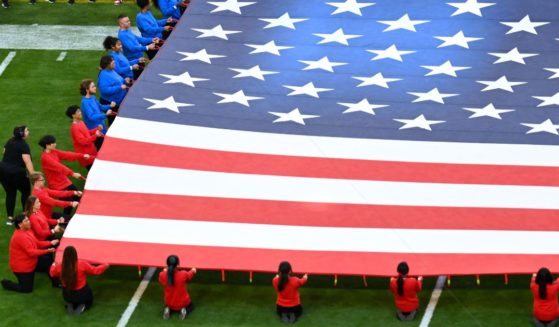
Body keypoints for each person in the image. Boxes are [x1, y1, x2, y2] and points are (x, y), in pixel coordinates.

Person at [1, 214, 59, 293]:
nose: (29, 222)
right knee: (27, 289)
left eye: (28, 220)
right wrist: (47, 250)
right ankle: (6, 283)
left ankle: (56, 282)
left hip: (31, 261)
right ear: (20, 224)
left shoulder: (28, 230)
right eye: (26, 221)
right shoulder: (20, 237)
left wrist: (50, 243)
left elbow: (37, 243)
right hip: (22, 267)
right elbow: (31, 252)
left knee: (48, 261)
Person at [50, 246, 109, 315]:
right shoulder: (81, 264)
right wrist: (105, 266)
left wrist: (53, 265)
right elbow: (95, 271)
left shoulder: (60, 266)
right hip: (82, 294)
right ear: (75, 254)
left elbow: (52, 273)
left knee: (72, 298)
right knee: (89, 301)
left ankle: (72, 304)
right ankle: (83, 306)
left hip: (67, 295)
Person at [38, 135, 88, 216]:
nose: (55, 144)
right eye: (53, 143)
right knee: (68, 203)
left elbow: (67, 154)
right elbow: (59, 167)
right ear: (47, 145)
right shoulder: (45, 158)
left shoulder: (54, 151)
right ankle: (65, 220)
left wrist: (81, 155)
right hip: (57, 186)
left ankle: (81, 214)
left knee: (78, 197)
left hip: (65, 181)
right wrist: (72, 173)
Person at [0, 126, 35, 225]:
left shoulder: (10, 141)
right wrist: (33, 175)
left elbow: (4, 152)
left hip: (2, 170)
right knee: (25, 192)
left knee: (10, 193)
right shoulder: (23, 145)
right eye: (27, 130)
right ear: (21, 134)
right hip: (16, 172)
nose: (28, 132)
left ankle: (10, 218)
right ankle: (25, 214)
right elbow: (27, 161)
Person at [158, 255, 196, 320]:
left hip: (169, 302)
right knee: (191, 306)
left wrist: (164, 271)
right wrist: (193, 270)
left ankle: (168, 309)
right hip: (183, 303)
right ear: (178, 265)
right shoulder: (183, 274)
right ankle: (183, 310)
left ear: (167, 264)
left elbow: (161, 279)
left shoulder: (162, 275)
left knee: (169, 304)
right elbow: (191, 274)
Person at [80, 80, 115, 150]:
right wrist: (105, 115)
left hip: (102, 127)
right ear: (87, 90)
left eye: (94, 86)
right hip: (95, 131)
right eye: (93, 87)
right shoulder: (85, 103)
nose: (95, 88)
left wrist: (110, 106)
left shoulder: (93, 97)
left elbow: (100, 107)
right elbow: (91, 117)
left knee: (106, 147)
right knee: (101, 150)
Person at [66, 105, 101, 170]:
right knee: (93, 171)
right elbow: (83, 142)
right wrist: (95, 136)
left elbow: (87, 132)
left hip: (91, 150)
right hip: (86, 154)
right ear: (73, 115)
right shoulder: (75, 128)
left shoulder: (81, 122)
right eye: (78, 111)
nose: (80, 112)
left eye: (80, 111)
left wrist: (97, 129)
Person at [98, 56, 128, 126]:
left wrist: (124, 80)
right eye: (112, 61)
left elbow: (118, 80)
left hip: (118, 101)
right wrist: (119, 87)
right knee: (113, 124)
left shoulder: (111, 70)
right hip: (110, 103)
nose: (114, 62)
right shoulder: (103, 75)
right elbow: (105, 90)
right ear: (107, 65)